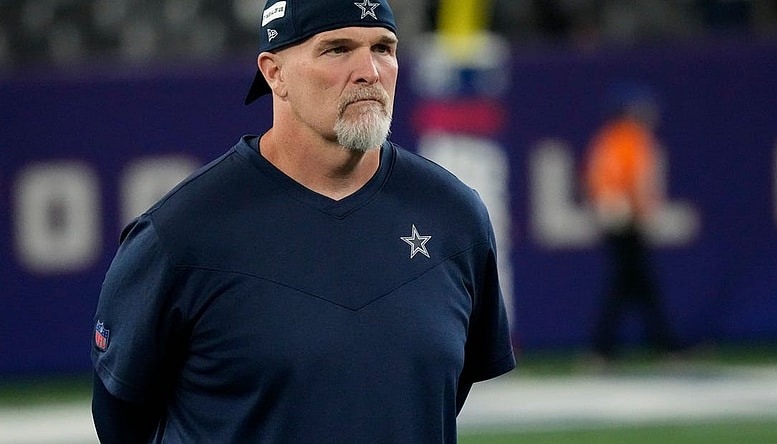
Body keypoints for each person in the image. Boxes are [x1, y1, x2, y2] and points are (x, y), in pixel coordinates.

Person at [90, 0, 516, 442]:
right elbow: (122, 416)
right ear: (274, 73)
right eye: (337, 49)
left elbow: (435, 396)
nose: (369, 70)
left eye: (384, 48)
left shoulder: (455, 216)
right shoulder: (178, 234)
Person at [582, 83, 679, 364]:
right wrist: (644, 213)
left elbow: (594, 180)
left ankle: (656, 344)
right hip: (627, 218)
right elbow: (638, 181)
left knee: (633, 283)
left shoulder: (608, 138)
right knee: (632, 282)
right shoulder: (632, 139)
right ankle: (661, 345)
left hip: (612, 216)